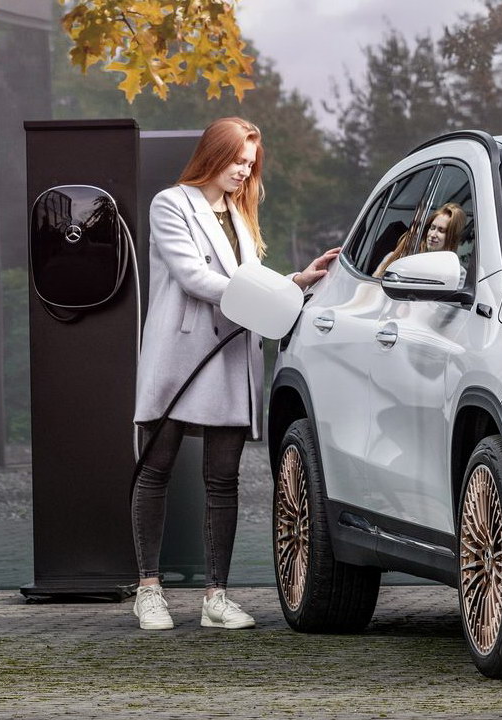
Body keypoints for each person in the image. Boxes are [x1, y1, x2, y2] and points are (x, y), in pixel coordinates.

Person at [130, 117, 340, 631]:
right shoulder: (171, 203)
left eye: (250, 164)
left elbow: (245, 279)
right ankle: (148, 590)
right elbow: (194, 277)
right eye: (237, 160)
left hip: (227, 354)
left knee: (223, 480)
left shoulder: (241, 214)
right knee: (155, 471)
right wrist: (277, 297)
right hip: (180, 353)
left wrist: (297, 281)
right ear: (213, 155)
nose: (244, 171)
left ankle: (216, 597)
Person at [373, 202, 466, 277]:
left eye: (441, 230)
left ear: (452, 237)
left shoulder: (457, 273)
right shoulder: (395, 259)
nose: (433, 234)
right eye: (432, 228)